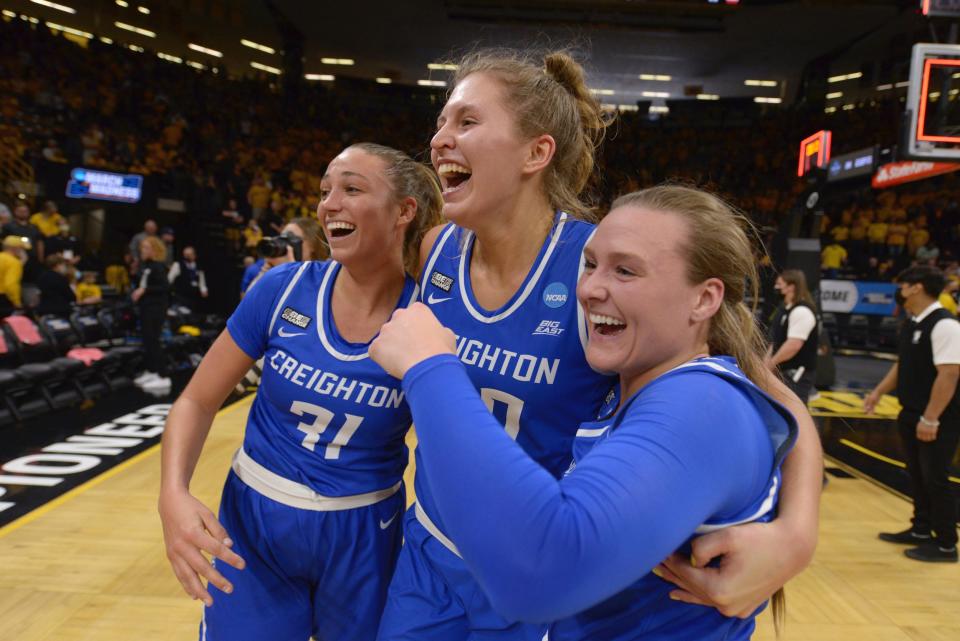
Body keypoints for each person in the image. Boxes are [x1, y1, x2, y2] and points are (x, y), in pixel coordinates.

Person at [376, 48, 822, 641]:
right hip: (430, 548)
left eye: (466, 122)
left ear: (537, 152)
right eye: (441, 121)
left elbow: (771, 400)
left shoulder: (598, 268)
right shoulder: (436, 249)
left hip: (535, 555)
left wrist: (797, 536)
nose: (439, 139)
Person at [158, 143, 442, 641]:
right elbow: (196, 400)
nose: (329, 203)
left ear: (404, 211)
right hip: (255, 524)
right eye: (325, 190)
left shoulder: (429, 317)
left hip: (364, 532)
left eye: (352, 189)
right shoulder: (282, 289)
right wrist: (172, 494)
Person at [864, 265, 960, 563]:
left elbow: (950, 374)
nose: (899, 290)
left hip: (938, 416)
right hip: (911, 410)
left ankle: (946, 543)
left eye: (903, 285)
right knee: (917, 474)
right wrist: (878, 391)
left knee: (936, 477)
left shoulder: (945, 325)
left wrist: (931, 418)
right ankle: (920, 529)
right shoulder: (912, 322)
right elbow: (901, 365)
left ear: (917, 287)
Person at [766, 269, 819, 403]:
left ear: (791, 287)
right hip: (783, 373)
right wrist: (764, 365)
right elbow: (776, 341)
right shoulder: (785, 309)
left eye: (780, 284)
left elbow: (793, 345)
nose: (776, 287)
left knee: (795, 414)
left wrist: (771, 364)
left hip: (796, 375)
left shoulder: (802, 311)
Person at [242, 216, 326, 295]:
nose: (286, 245)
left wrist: (290, 271)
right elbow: (248, 301)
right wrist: (265, 274)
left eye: (291, 238)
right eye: (282, 238)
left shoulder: (325, 274)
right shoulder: (268, 267)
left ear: (312, 244)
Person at [132, 236, 172, 391]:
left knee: (154, 340)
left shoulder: (158, 266)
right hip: (146, 307)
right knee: (147, 340)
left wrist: (145, 290)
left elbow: (165, 287)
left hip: (156, 308)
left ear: (154, 250)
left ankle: (163, 376)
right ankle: (151, 371)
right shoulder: (145, 266)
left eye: (146, 248)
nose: (142, 250)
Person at [168, 246, 209, 310]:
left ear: (194, 255)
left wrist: (203, 290)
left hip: (193, 296)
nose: (187, 257)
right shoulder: (178, 265)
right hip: (180, 296)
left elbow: (202, 281)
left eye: (189, 255)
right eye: (186, 255)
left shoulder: (198, 266)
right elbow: (169, 279)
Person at [0, 235, 29, 317]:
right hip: (3, 298)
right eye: (22, 248)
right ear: (15, 248)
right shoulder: (14, 262)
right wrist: (17, 303)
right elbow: (11, 285)